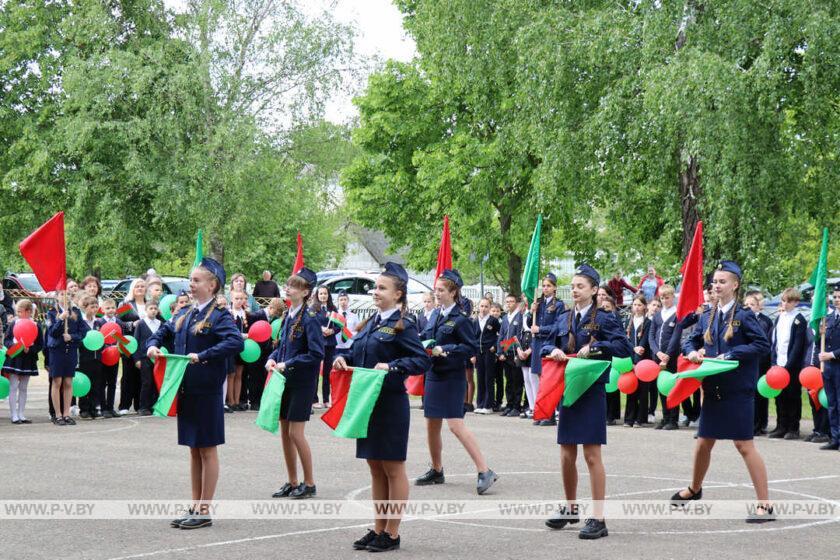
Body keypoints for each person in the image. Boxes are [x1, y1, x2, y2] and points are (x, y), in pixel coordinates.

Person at [333, 262, 431, 552]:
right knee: (375, 466)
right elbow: (355, 350)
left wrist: (392, 365)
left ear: (398, 294)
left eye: (381, 288)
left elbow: (421, 360)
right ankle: (378, 528)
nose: (375, 292)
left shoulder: (404, 325)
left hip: (390, 403)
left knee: (392, 467)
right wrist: (342, 357)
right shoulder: (373, 322)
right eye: (375, 287)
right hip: (368, 402)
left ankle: (392, 532)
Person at [672, 260, 774, 523]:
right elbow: (690, 339)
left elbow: (762, 345)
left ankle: (765, 504)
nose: (716, 286)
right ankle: (695, 489)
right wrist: (691, 352)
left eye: (722, 281)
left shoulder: (744, 316)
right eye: (714, 282)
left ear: (735, 285)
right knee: (704, 442)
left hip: (738, 390)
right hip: (714, 390)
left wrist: (732, 354)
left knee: (744, 445)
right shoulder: (708, 314)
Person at [146, 258, 244, 530]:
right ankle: (194, 504)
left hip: (207, 389)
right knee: (193, 449)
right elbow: (163, 331)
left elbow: (234, 341)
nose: (191, 284)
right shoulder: (186, 312)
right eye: (191, 279)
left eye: (197, 280)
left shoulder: (219, 315)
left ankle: (205, 509)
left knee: (207, 449)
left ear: (212, 285)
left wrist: (203, 356)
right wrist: (152, 346)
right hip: (187, 388)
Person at [543, 264, 633, 539]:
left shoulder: (605, 318)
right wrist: (555, 350)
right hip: (569, 389)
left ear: (594, 290)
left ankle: (598, 517)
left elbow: (623, 348)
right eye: (572, 286)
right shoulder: (565, 317)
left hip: (591, 390)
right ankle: (571, 508)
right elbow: (546, 344)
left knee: (592, 455)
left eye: (580, 286)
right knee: (566, 454)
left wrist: (596, 347)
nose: (575, 290)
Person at [416, 269, 497, 494]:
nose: (437, 293)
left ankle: (485, 470)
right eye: (436, 290)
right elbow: (425, 337)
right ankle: (436, 469)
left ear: (453, 292)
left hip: (452, 378)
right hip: (434, 375)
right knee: (431, 425)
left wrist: (447, 349)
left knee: (455, 426)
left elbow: (470, 348)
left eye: (441, 290)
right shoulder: (435, 315)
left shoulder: (460, 320)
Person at [265, 267, 324, 500]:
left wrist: (287, 363)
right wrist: (273, 358)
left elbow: (316, 353)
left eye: (294, 285)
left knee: (296, 433)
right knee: (284, 432)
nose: (287, 288)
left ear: (306, 291)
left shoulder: (310, 318)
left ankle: (309, 483)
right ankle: (292, 481)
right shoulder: (289, 315)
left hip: (302, 382)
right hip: (285, 379)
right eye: (288, 284)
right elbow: (283, 346)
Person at [768, 288, 808, 440]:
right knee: (779, 397)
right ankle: (781, 425)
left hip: (791, 366)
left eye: (789, 301)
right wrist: (773, 362)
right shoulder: (780, 318)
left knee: (792, 396)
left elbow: (797, 346)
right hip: (778, 365)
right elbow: (775, 342)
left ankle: (793, 428)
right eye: (783, 301)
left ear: (796, 302)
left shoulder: (799, 320)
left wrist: (788, 366)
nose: (785, 304)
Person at [528, 273, 565, 426]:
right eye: (543, 286)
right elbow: (530, 324)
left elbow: (558, 326)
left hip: (549, 343)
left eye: (549, 286)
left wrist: (540, 329)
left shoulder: (559, 305)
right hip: (537, 344)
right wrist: (531, 312)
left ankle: (551, 413)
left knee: (549, 378)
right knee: (539, 378)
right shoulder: (539, 303)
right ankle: (543, 412)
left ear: (555, 287)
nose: (545, 288)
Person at [46, 291, 84, 426]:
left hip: (71, 350)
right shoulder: (51, 312)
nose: (65, 296)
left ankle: (66, 413)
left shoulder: (75, 312)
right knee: (57, 382)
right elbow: (52, 332)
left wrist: (72, 337)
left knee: (68, 382)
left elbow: (82, 332)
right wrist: (61, 319)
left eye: (67, 294)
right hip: (57, 351)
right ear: (57, 296)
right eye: (62, 293)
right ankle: (57, 414)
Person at [3, 299, 43, 424]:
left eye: (20, 312)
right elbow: (7, 340)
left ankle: (21, 413)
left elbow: (40, 345)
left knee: (24, 387)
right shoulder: (14, 323)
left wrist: (29, 349)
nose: (18, 314)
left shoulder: (36, 325)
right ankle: (13, 415)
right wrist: (15, 346)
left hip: (28, 358)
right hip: (15, 357)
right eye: (17, 312)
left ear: (29, 311)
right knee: (13, 386)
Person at [744, 291, 774, 435]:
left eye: (752, 304)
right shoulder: (742, 319)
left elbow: (766, 343)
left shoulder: (765, 321)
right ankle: (751, 423)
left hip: (761, 362)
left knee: (760, 393)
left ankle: (761, 423)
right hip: (747, 362)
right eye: (747, 304)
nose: (749, 307)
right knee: (749, 394)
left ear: (758, 306)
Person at [815, 285, 840, 450]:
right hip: (829, 367)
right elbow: (820, 343)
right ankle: (835, 438)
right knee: (832, 403)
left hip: (837, 364)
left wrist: (831, 355)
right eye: (836, 297)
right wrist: (819, 334)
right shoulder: (830, 318)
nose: (837, 300)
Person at [119, 278, 148, 415]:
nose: (140, 288)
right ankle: (124, 405)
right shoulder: (126, 305)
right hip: (128, 344)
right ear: (132, 289)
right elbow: (115, 321)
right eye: (137, 286)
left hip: (145, 345)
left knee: (142, 375)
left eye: (143, 286)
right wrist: (131, 325)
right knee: (128, 374)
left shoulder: (151, 304)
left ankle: (139, 405)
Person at [624, 294, 651, 427]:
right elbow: (625, 340)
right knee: (631, 388)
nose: (637, 307)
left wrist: (638, 358)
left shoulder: (648, 322)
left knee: (642, 390)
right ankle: (629, 418)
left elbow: (644, 342)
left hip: (642, 361)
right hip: (630, 359)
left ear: (645, 306)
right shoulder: (628, 321)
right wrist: (633, 351)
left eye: (639, 305)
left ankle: (640, 419)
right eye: (635, 304)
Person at [98, 298, 126, 418]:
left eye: (113, 308)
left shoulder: (119, 323)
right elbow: (98, 339)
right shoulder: (99, 322)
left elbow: (122, 339)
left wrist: (119, 347)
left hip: (114, 355)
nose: (110, 310)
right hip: (103, 355)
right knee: (102, 381)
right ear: (103, 310)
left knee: (112, 382)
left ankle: (110, 407)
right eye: (107, 308)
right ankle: (103, 408)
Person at [77, 296, 104, 420]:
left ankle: (94, 408)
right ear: (85, 307)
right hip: (84, 357)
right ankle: (84, 408)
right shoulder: (81, 322)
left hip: (97, 357)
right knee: (85, 382)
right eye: (91, 307)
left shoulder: (98, 322)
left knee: (95, 383)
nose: (94, 309)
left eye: (96, 307)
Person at [311, 285, 338, 408]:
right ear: (317, 295)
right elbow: (310, 323)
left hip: (330, 344)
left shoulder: (333, 309)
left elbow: (339, 325)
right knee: (315, 371)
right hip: (317, 343)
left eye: (325, 293)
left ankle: (326, 399)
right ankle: (314, 399)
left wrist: (332, 331)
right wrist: (320, 329)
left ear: (328, 295)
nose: (323, 296)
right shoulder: (313, 308)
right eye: (321, 294)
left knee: (327, 372)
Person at [472, 298, 500, 414]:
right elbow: (472, 338)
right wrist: (472, 354)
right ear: (478, 307)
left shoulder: (493, 321)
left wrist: (495, 346)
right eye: (482, 306)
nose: (483, 309)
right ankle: (480, 403)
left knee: (489, 378)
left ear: (489, 308)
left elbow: (500, 336)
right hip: (478, 352)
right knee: (480, 377)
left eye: (486, 306)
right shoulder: (474, 321)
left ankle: (488, 405)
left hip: (489, 351)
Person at [135, 299, 162, 416]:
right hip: (144, 357)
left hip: (158, 357)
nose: (153, 311)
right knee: (147, 382)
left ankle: (154, 405)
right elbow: (135, 342)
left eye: (155, 309)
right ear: (146, 310)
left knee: (156, 382)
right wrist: (136, 359)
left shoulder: (160, 323)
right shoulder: (141, 324)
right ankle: (143, 406)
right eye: (151, 308)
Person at [334, 290, 360, 358]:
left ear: (348, 301)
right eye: (341, 300)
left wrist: (349, 334)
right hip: (336, 347)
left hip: (349, 347)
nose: (343, 302)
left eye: (345, 299)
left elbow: (358, 331)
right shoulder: (334, 315)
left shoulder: (354, 315)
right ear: (338, 301)